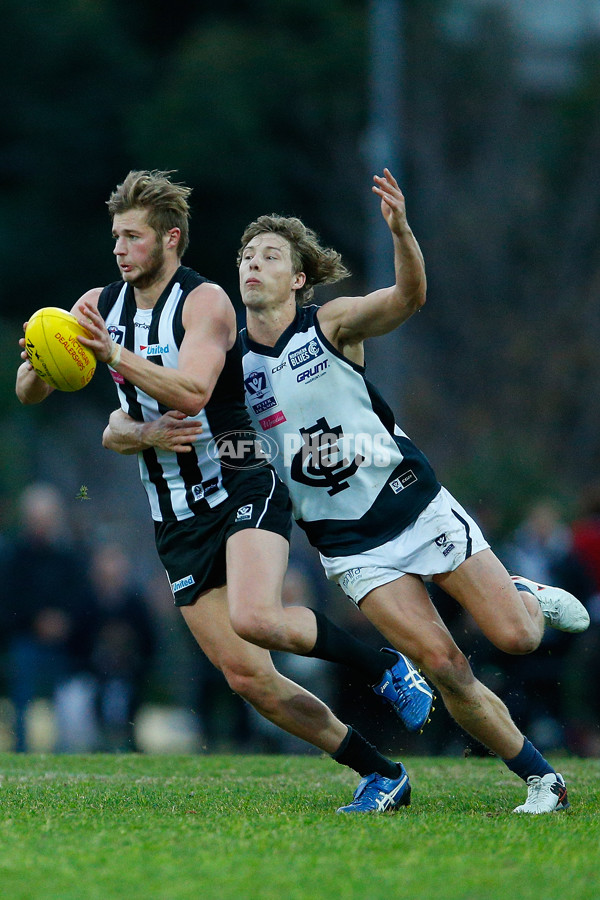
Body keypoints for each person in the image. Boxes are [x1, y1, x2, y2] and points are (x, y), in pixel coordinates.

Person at [16, 169, 431, 814]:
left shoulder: (203, 302)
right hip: (173, 514)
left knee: (258, 617)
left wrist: (117, 371)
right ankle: (381, 774)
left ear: (170, 239)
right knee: (248, 676)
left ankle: (382, 666)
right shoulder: (99, 307)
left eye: (133, 237)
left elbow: (193, 393)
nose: (120, 249)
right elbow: (30, 390)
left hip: (242, 473)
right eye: (116, 237)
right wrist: (43, 360)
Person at [232, 167, 590, 814]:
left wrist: (400, 231)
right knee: (446, 664)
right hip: (350, 548)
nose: (253, 264)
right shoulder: (231, 363)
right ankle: (545, 781)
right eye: (247, 255)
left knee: (517, 640)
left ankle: (522, 594)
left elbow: (408, 297)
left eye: (270, 256)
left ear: (299, 278)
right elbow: (184, 405)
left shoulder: (330, 324)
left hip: (413, 506)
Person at [1, 483, 98, 752]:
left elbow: (80, 597)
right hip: (25, 639)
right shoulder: (15, 556)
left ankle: (63, 752)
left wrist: (63, 621)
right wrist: (36, 620)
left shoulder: (69, 557)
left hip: (64, 643)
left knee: (64, 702)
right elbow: (10, 598)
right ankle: (22, 751)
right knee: (23, 699)